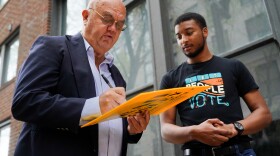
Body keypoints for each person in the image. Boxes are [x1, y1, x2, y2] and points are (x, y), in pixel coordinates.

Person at [11, 0, 150, 156]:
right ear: (85, 17)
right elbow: (24, 102)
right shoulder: (53, 47)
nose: (112, 29)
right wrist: (94, 106)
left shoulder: (116, 76)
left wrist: (131, 129)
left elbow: (104, 132)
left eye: (119, 25)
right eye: (107, 19)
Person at [159, 12, 272, 156]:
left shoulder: (234, 67)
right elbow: (166, 130)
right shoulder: (170, 79)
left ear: (204, 32)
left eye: (189, 33)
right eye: (179, 37)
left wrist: (234, 128)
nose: (183, 40)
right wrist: (194, 132)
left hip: (239, 151)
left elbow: (263, 114)